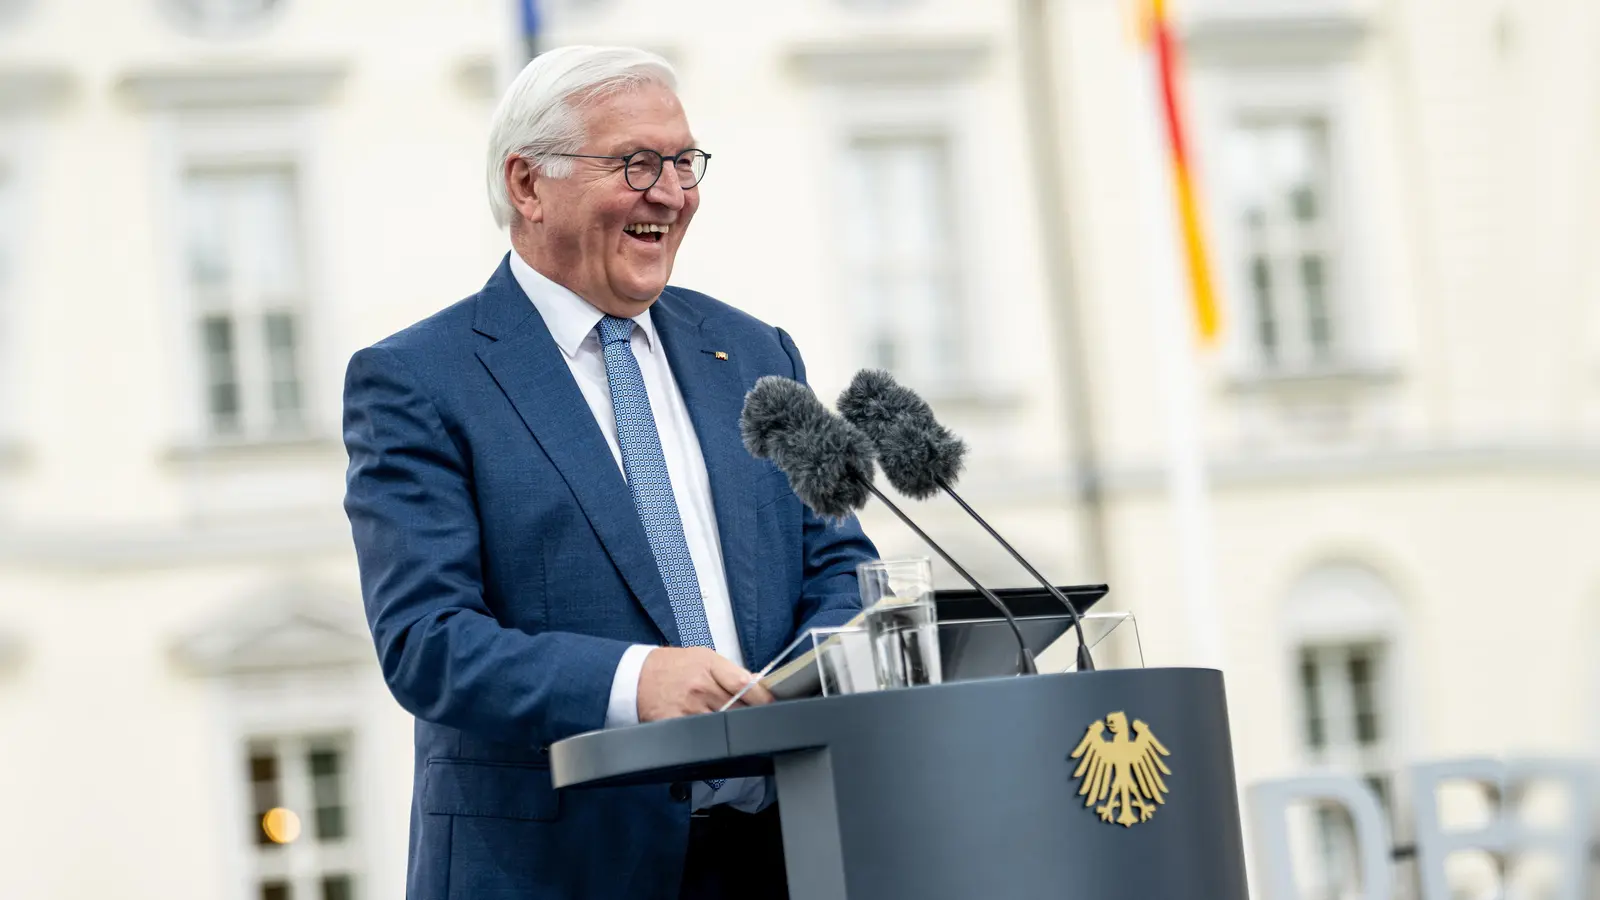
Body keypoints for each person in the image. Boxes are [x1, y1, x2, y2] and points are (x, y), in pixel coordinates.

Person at [341, 45, 877, 900]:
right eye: (635, 163)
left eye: (683, 161)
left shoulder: (755, 352)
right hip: (559, 872)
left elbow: (844, 565)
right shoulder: (417, 379)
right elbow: (427, 643)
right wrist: (634, 681)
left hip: (783, 854)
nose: (671, 191)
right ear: (527, 184)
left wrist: (803, 679)